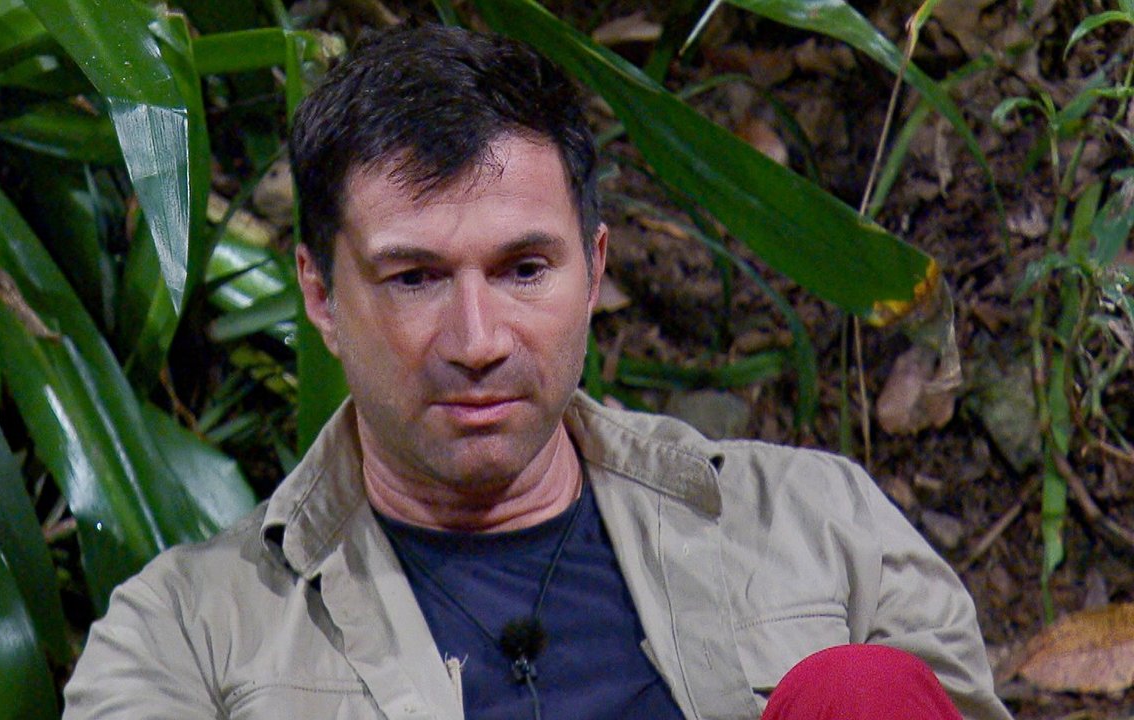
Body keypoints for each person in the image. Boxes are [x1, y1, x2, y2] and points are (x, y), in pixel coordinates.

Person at [63, 24, 1012, 720]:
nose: (477, 340)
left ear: (593, 271)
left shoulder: (820, 529)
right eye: (414, 278)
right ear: (320, 293)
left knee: (861, 693)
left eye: (524, 270)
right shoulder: (186, 633)